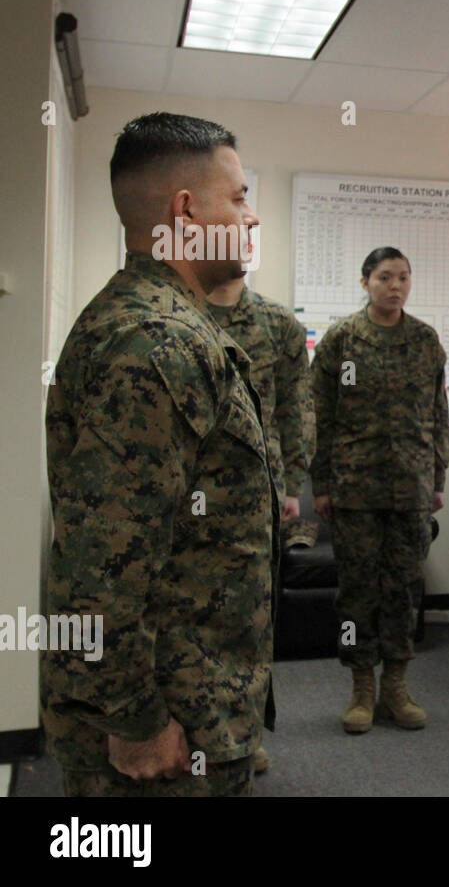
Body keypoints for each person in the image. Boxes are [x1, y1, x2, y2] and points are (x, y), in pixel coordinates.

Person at [43, 112, 275, 796]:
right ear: (185, 210)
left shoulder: (164, 322)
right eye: (238, 196)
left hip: (192, 699)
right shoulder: (155, 342)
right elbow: (104, 561)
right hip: (169, 725)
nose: (252, 217)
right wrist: (135, 718)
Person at [310, 247, 449, 734]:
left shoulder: (425, 341)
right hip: (354, 488)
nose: (396, 286)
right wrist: (321, 484)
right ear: (365, 281)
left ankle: (396, 685)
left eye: (404, 277)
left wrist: (436, 478)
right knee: (356, 593)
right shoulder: (341, 340)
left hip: (410, 486)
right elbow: (319, 416)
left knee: (405, 590)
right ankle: (361, 688)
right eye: (386, 277)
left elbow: (438, 416)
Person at [207, 274, 314, 774]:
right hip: (188, 490)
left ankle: (245, 733)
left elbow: (296, 406)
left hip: (259, 489)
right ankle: (197, 732)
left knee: (253, 618)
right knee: (190, 618)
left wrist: (293, 483)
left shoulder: (277, 323)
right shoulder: (178, 314)